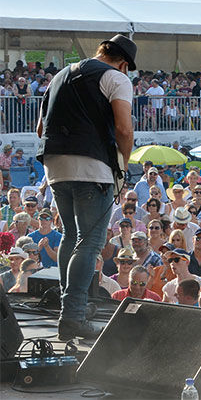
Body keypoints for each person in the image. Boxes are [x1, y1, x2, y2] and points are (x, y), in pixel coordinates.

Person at [36, 34, 136, 340]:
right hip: (92, 166)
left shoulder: (59, 77)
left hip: (54, 165)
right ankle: (73, 316)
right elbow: (123, 128)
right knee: (90, 243)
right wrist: (125, 163)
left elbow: (40, 128)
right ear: (123, 63)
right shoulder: (116, 78)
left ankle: (73, 308)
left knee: (70, 235)